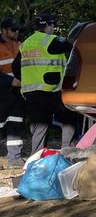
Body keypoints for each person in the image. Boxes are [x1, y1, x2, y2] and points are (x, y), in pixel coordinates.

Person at [12, 13, 76, 155]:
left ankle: (36, 160)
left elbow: (16, 68)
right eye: (53, 25)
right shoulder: (51, 41)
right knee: (69, 120)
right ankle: (69, 154)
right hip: (51, 91)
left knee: (39, 129)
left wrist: (29, 79)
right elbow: (72, 45)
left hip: (31, 93)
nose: (54, 28)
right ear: (47, 25)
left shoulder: (26, 43)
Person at [0, 17, 26, 168]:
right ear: (3, 30)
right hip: (2, 91)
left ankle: (14, 158)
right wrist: (9, 81)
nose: (16, 32)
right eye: (13, 29)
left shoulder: (20, 45)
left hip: (17, 92)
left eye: (17, 30)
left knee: (15, 124)